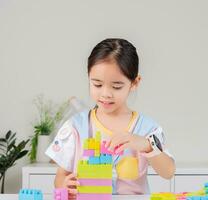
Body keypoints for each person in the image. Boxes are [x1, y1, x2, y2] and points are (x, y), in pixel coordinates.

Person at [45, 38, 175, 199]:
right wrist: (65, 187)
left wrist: (146, 145)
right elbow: (60, 178)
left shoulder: (147, 128)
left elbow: (168, 172)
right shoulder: (76, 127)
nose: (106, 94)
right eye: (97, 84)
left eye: (116, 86)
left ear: (134, 83)